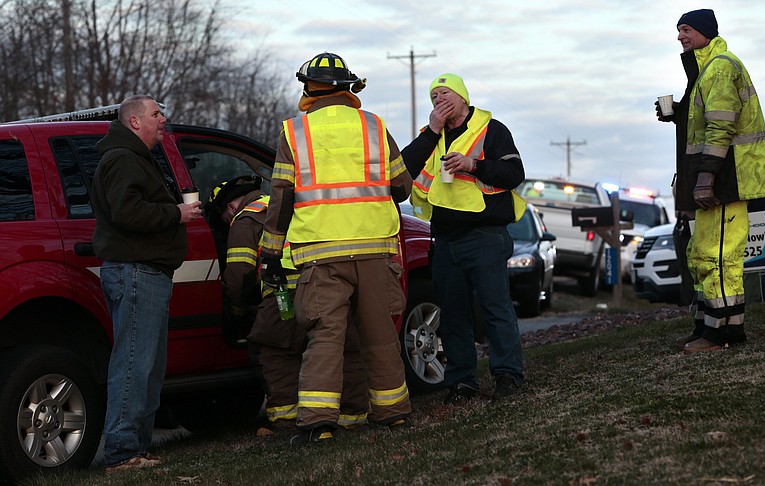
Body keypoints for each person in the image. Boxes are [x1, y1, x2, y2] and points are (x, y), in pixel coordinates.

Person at [261, 52, 413, 444]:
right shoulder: (374, 126)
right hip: (375, 249)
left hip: (320, 254)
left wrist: (271, 253)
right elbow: (402, 187)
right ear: (349, 87)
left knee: (326, 335)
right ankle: (393, 414)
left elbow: (281, 200)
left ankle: (318, 423)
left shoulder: (293, 132)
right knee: (380, 334)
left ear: (308, 88)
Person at [205, 175, 370, 432]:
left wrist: (239, 313)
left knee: (274, 353)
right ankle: (353, 415)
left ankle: (288, 419)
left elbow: (239, 278)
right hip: (328, 288)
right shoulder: (290, 204)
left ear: (229, 208)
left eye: (226, 221)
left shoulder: (245, 220)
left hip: (285, 297)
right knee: (341, 347)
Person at [91, 94, 203, 472]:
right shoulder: (123, 158)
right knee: (134, 363)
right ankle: (122, 452)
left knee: (149, 366)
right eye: (156, 114)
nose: (163, 119)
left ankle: (136, 448)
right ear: (135, 121)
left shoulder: (134, 157)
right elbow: (127, 212)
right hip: (136, 271)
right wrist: (177, 212)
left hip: (146, 271)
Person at [401, 73, 527, 403]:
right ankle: (461, 381)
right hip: (444, 239)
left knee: (496, 308)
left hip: (484, 235)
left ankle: (508, 376)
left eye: (445, 94)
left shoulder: (491, 129)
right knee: (453, 314)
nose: (439, 100)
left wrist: (474, 165)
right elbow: (403, 170)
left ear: (462, 98)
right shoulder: (431, 135)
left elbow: (515, 174)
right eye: (434, 97)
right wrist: (430, 130)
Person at [656, 9, 765, 353]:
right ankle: (707, 328)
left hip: (729, 179)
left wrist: (706, 177)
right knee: (701, 254)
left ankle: (723, 334)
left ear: (706, 31)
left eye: (687, 29)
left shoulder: (721, 67)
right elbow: (706, 121)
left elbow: (721, 126)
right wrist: (678, 113)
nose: (680, 36)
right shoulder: (705, 70)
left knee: (720, 256)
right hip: (717, 178)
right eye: (679, 30)